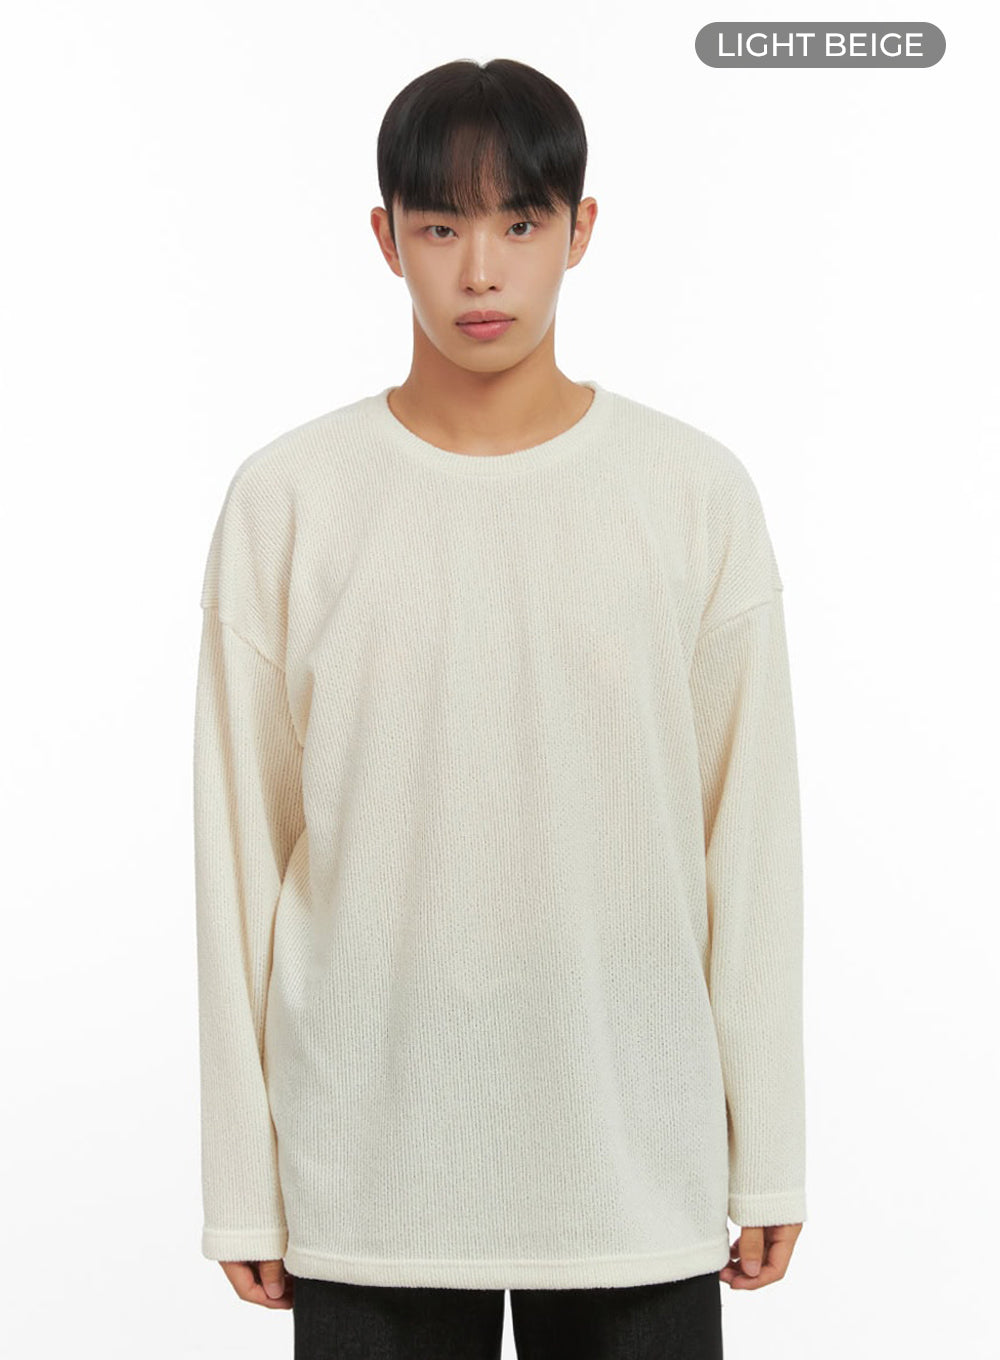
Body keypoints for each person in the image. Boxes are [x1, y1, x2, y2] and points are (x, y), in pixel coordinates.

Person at [192, 56, 807, 1359]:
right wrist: (243, 1176)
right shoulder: (291, 501)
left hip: (633, 1156)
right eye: (441, 227)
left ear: (582, 231)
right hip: (373, 1163)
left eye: (521, 223)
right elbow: (240, 853)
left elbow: (747, 842)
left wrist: (770, 1148)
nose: (481, 272)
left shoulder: (691, 494)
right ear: (385, 239)